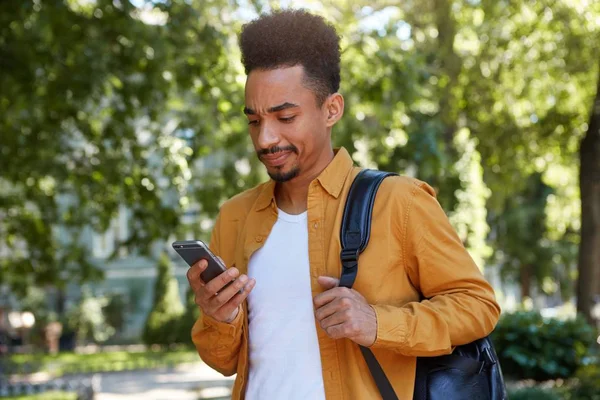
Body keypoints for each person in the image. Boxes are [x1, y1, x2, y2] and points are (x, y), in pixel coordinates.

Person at [187, 9, 501, 400]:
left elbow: (478, 306)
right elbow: (223, 361)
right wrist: (222, 317)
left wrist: (377, 323)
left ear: (332, 109)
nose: (265, 138)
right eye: (254, 121)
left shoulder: (399, 202)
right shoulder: (234, 216)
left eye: (285, 117)